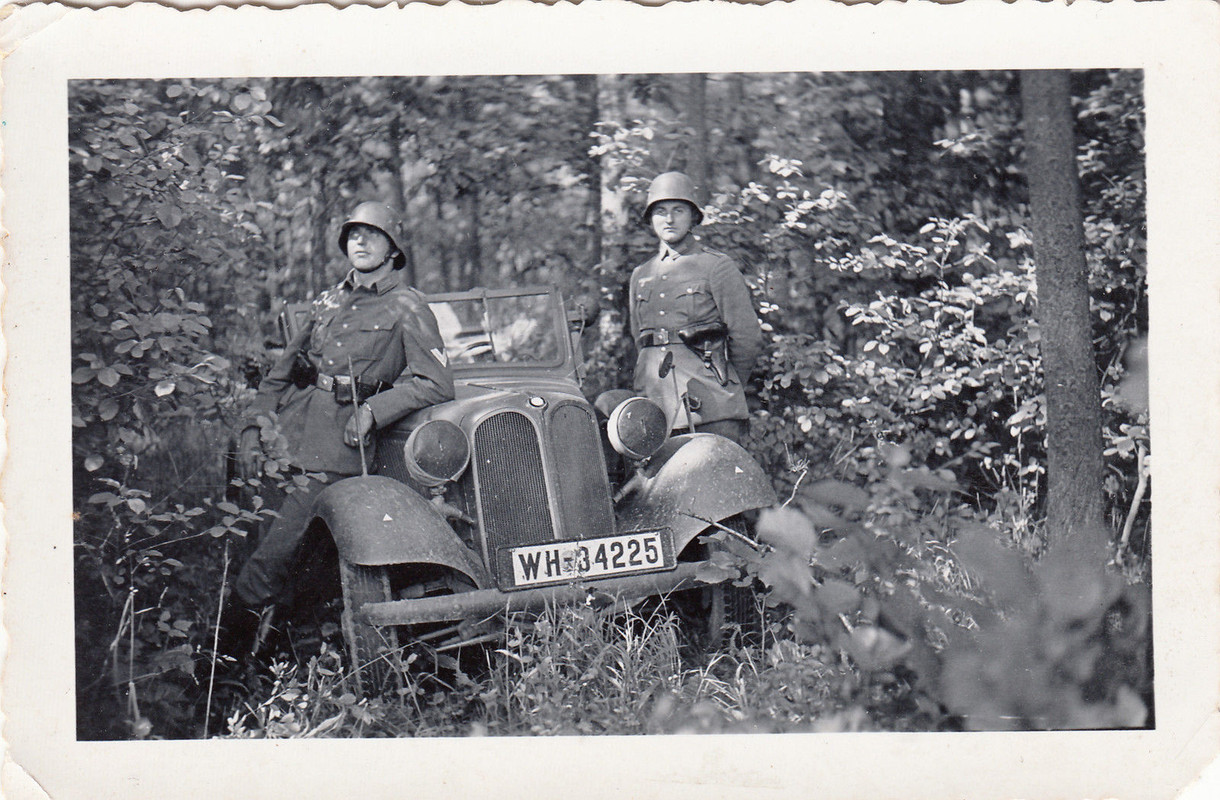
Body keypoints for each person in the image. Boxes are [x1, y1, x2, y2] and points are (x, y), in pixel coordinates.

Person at [219, 200, 454, 660]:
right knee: (276, 555)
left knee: (270, 563)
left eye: (372, 234)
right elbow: (280, 375)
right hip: (292, 444)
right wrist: (251, 425)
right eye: (353, 235)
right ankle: (265, 659)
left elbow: (435, 383)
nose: (360, 242)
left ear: (393, 248)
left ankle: (220, 668)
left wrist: (373, 411)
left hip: (341, 456)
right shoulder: (328, 301)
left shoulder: (408, 306)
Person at [627, 171, 763, 446]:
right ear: (650, 219)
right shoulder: (641, 275)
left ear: (693, 217)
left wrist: (724, 384)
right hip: (655, 408)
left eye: (678, 210)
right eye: (661, 211)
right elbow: (639, 340)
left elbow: (746, 336)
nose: (669, 219)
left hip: (710, 408)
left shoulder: (716, 266)